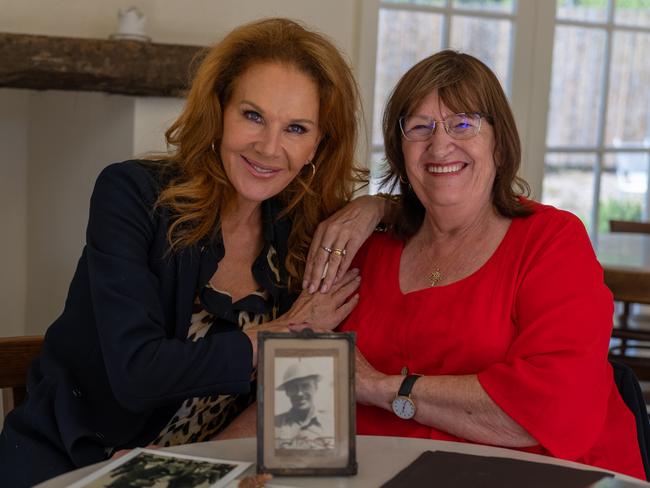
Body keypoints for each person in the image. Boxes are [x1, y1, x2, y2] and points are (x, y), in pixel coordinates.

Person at [0, 18, 382, 487]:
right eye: (253, 115)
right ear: (218, 111)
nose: (268, 147)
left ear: (318, 146)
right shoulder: (134, 195)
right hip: (75, 464)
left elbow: (291, 399)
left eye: (296, 128)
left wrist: (374, 204)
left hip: (201, 470)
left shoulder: (305, 226)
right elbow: (138, 373)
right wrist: (276, 336)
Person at [338, 50, 646, 479]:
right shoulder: (367, 249)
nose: (440, 143)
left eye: (464, 123)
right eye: (419, 126)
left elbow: (550, 408)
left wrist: (377, 387)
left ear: (499, 144)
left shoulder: (551, 241)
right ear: (399, 150)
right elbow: (313, 377)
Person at [274, 361, 334, 449]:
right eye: (293, 388)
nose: (300, 393)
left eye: (305, 386)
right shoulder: (274, 425)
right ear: (287, 392)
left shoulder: (331, 424)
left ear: (315, 387)